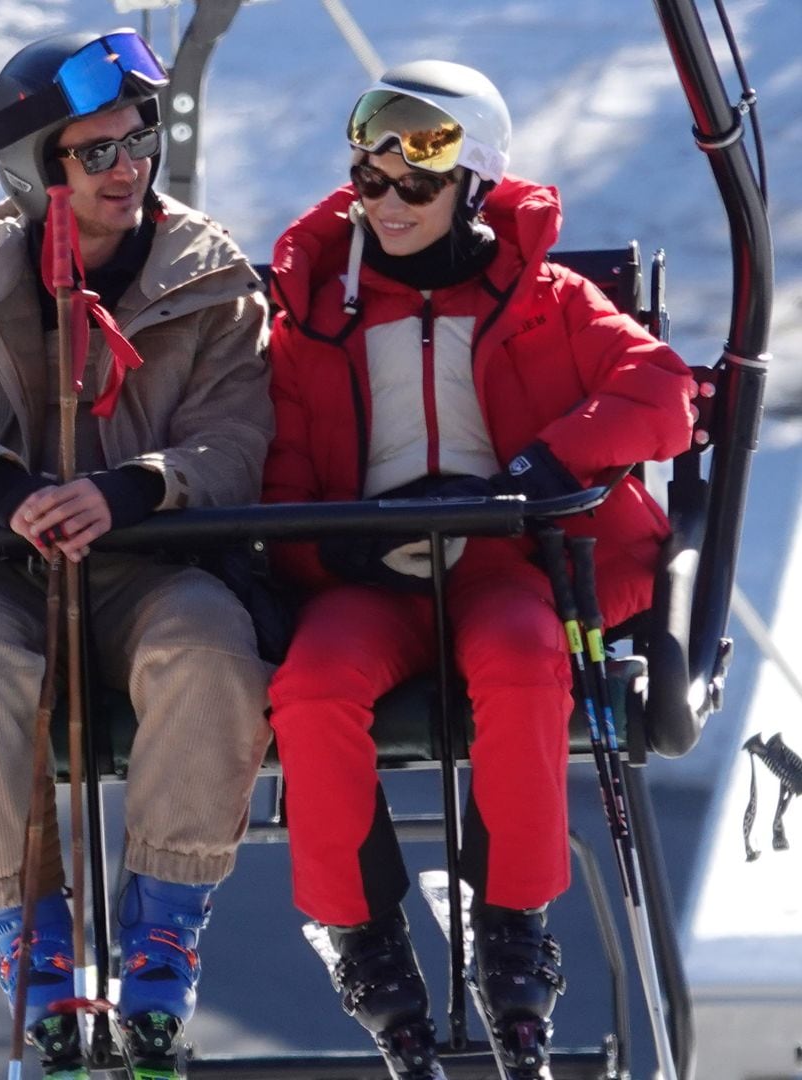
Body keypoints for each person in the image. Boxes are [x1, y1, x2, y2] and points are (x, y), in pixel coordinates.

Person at [262, 60, 695, 1079]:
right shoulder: (316, 314)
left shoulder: (546, 298)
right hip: (368, 578)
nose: (392, 203)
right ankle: (363, 939)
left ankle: (511, 923)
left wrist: (545, 464)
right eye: (372, 182)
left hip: (505, 563)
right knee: (313, 683)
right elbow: (276, 471)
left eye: (419, 182)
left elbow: (664, 394)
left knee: (524, 656)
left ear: (475, 185)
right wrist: (331, 542)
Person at [0, 28, 274, 1078]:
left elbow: (236, 437)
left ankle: (163, 930)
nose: (128, 166)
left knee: (210, 646)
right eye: (95, 152)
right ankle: (34, 949)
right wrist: (3, 490)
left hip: (152, 555)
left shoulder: (209, 277)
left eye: (136, 139)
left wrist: (131, 487)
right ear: (36, 170)